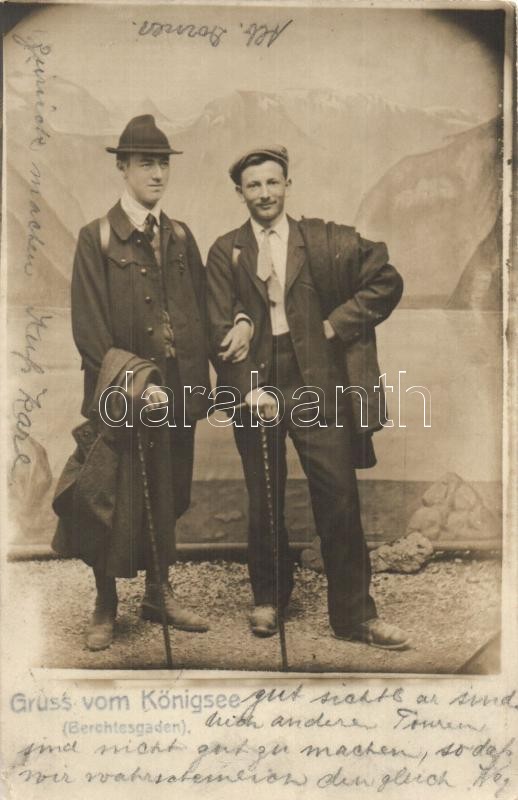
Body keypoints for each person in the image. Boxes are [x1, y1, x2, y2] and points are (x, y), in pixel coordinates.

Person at [52, 115, 251, 651]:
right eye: (146, 163)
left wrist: (234, 328)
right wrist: (139, 383)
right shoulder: (95, 237)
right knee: (108, 500)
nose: (157, 173)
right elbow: (89, 331)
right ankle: (105, 604)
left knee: (170, 495)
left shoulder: (182, 235)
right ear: (123, 168)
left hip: (181, 397)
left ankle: (159, 593)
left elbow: (202, 310)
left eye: (163, 162)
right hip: (121, 397)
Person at [206, 145, 410, 649]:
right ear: (240, 193)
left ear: (287, 185)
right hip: (257, 382)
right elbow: (215, 320)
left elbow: (387, 280)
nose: (264, 194)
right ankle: (270, 598)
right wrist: (246, 382)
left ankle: (355, 616)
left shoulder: (319, 240)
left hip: (317, 381)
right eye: (253, 185)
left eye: (273, 182)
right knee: (265, 493)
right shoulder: (225, 250)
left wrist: (335, 325)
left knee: (338, 495)